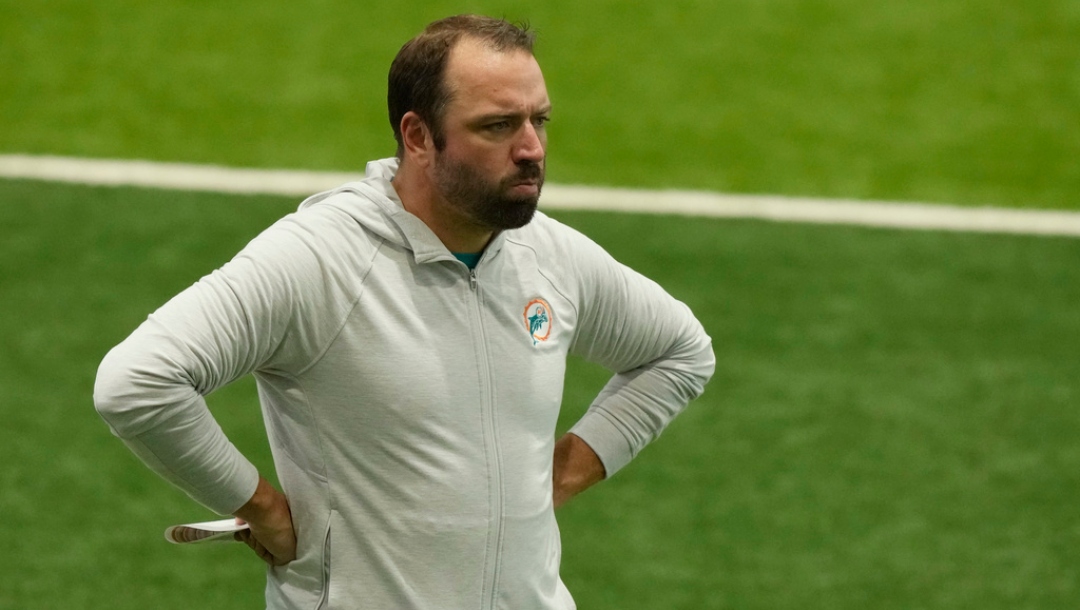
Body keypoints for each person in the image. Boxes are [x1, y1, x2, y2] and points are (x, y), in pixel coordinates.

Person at [94, 14, 714, 610]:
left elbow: (680, 353)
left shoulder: (547, 255)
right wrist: (260, 507)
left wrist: (557, 477)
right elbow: (138, 383)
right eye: (498, 126)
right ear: (418, 137)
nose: (531, 148)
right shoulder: (321, 260)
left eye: (540, 120)